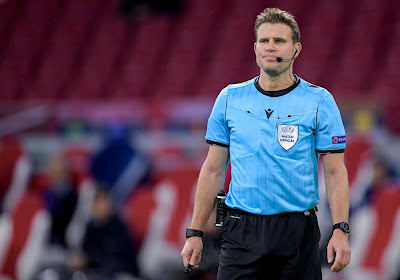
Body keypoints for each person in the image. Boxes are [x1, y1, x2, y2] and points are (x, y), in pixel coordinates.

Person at [181, 7, 351, 280]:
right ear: (255, 48)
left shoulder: (320, 101)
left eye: (279, 41)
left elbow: (334, 171)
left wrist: (341, 230)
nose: (271, 47)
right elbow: (213, 170)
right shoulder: (229, 99)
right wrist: (195, 232)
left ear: (296, 49)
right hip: (240, 230)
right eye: (265, 41)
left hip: (297, 231)